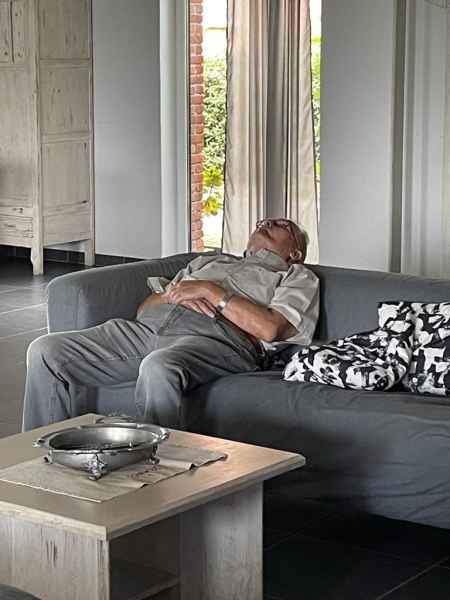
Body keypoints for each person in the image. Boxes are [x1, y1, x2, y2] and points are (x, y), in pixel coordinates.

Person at [22, 219, 319, 431]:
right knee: (46, 350)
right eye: (262, 222)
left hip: (216, 340)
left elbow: (269, 329)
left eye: (280, 225)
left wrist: (209, 291)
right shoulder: (209, 262)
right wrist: (173, 295)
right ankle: (38, 464)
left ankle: (156, 475)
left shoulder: (296, 276)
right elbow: (144, 309)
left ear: (295, 252)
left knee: (159, 366)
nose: (265, 223)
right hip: (145, 330)